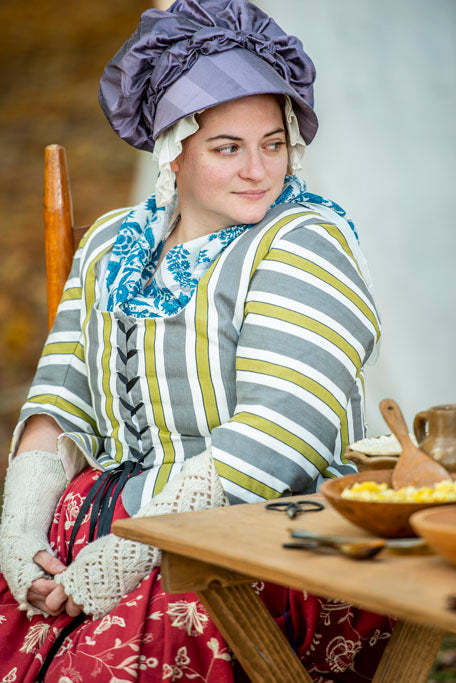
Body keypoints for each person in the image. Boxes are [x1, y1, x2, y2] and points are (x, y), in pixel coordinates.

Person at [0, 1, 393, 680]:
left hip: (252, 548)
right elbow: (61, 396)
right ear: (172, 151)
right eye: (227, 148)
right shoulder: (110, 244)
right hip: (91, 537)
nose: (259, 171)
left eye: (273, 142)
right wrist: (22, 530)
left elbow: (285, 431)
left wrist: (140, 542)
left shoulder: (302, 242)